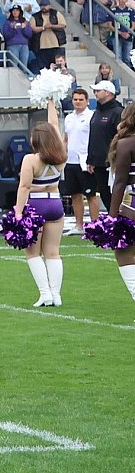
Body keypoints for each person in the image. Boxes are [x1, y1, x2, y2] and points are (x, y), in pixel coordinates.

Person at [14, 114, 68, 307]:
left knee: (33, 253)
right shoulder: (61, 157)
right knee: (53, 252)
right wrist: (51, 104)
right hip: (55, 205)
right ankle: (56, 295)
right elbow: (55, 126)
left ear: (36, 139)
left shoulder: (30, 159)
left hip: (35, 206)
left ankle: (45, 294)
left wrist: (18, 213)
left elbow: (24, 187)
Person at [104, 103, 135, 309]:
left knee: (123, 252)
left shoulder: (126, 143)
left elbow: (120, 182)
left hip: (132, 205)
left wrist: (112, 217)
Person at [86, 80, 123, 216]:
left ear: (107, 92)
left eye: (98, 90)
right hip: (98, 162)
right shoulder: (97, 112)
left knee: (115, 194)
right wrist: (91, 159)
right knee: (104, 193)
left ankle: (120, 220)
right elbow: (93, 136)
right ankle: (112, 219)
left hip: (113, 162)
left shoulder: (118, 112)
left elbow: (121, 137)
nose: (95, 93)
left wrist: (116, 158)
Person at [61, 87, 94, 232]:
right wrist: (63, 154)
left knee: (90, 194)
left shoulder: (92, 116)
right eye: (75, 99)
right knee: (75, 194)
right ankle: (78, 225)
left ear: (87, 101)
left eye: (81, 99)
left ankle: (94, 225)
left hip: (85, 161)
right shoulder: (68, 118)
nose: (78, 102)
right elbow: (66, 138)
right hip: (70, 161)